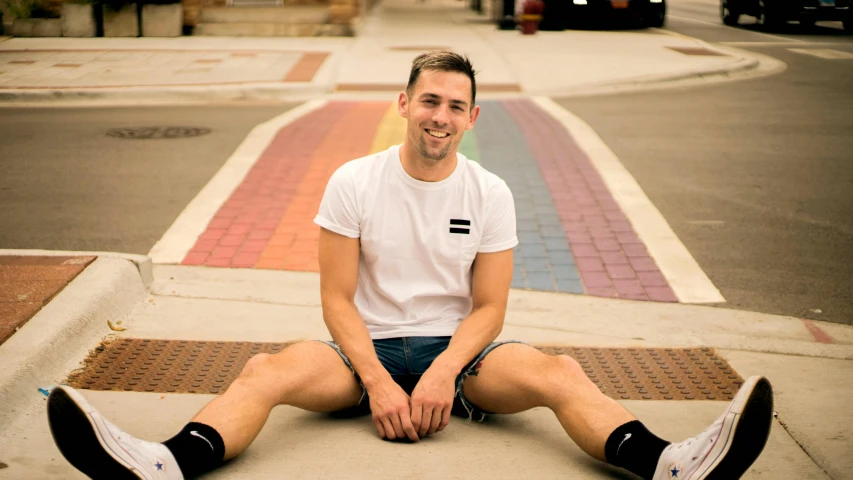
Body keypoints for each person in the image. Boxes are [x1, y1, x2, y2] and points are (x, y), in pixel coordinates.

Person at [46, 51, 774, 480]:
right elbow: (336, 298)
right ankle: (162, 464)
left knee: (560, 374)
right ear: (404, 103)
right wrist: (374, 378)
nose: (440, 115)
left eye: (456, 106)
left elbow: (489, 308)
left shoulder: (488, 191)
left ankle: (673, 465)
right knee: (265, 370)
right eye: (429, 99)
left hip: (461, 360)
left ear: (471, 119)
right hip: (357, 352)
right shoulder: (353, 182)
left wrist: (437, 374)